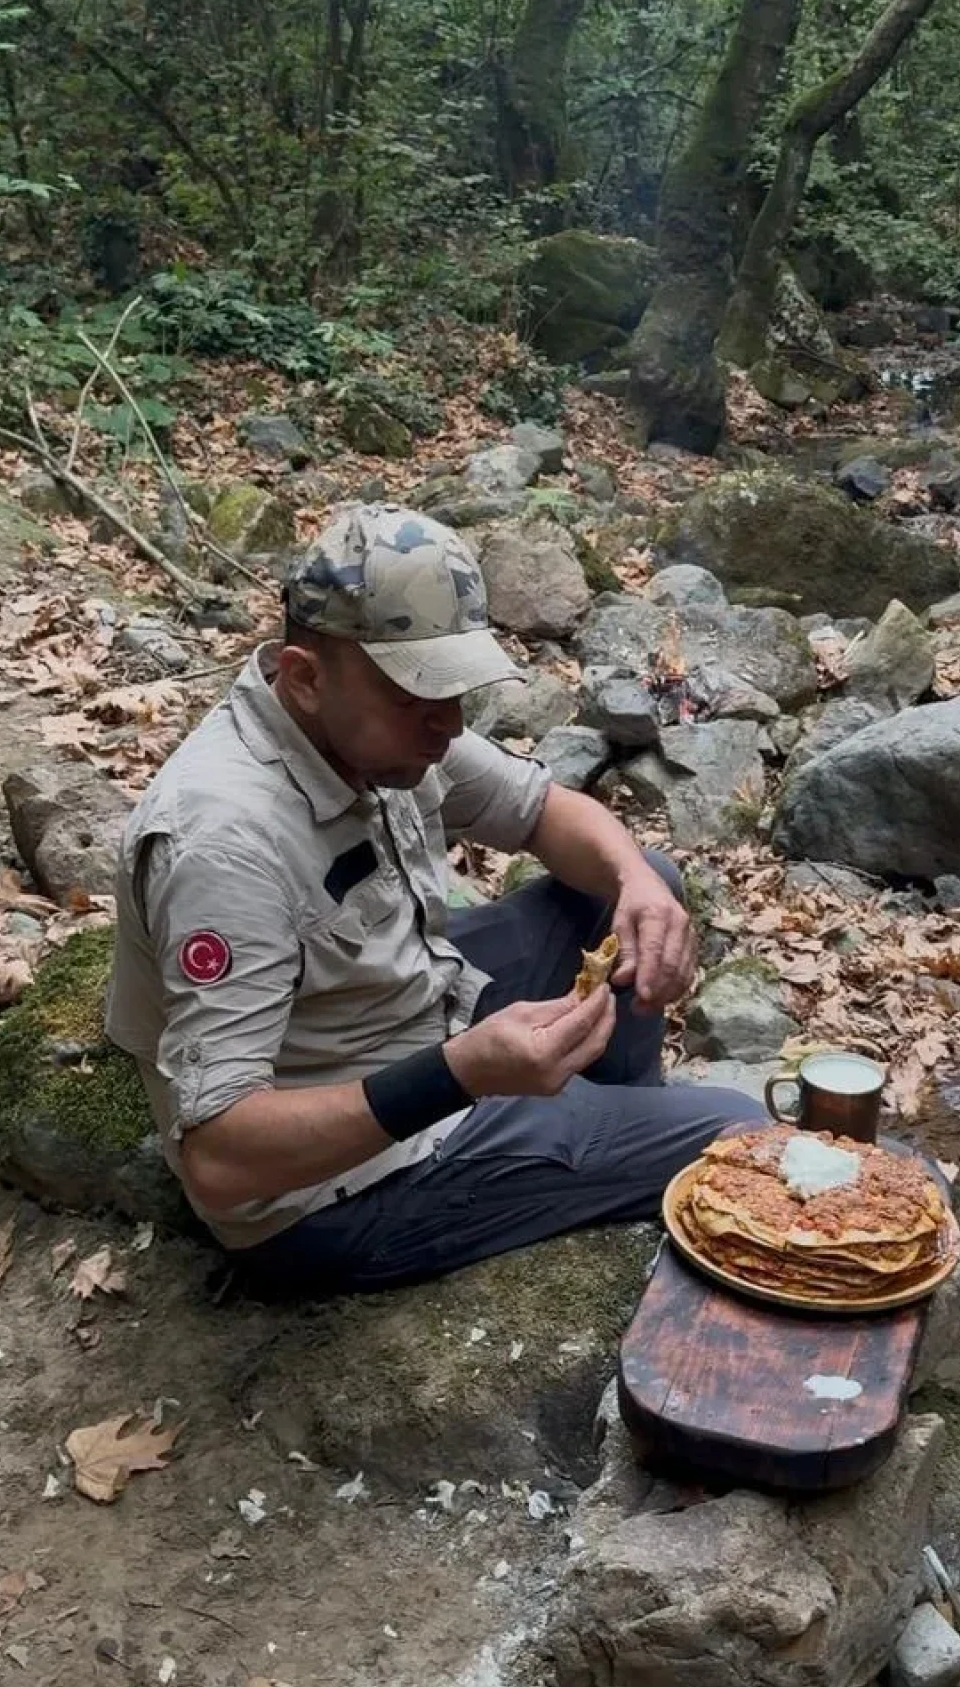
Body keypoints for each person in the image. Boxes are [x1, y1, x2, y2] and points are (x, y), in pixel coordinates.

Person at [106, 503, 762, 1296]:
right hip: (330, 1196)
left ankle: (613, 1126)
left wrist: (637, 885)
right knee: (741, 1137)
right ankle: (605, 1144)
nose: (448, 725)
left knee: (642, 880)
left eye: (455, 689)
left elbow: (549, 813)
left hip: (404, 1014)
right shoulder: (224, 842)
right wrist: (461, 1074)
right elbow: (219, 1160)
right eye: (421, 696)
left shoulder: (368, 728)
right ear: (304, 677)